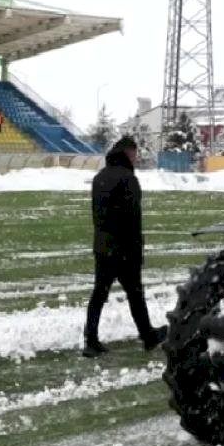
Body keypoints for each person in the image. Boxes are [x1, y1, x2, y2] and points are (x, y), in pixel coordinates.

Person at [83, 135, 167, 358]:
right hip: (125, 249)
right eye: (135, 154)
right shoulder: (128, 178)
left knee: (99, 294)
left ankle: (90, 340)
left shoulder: (100, 177)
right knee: (135, 293)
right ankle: (148, 335)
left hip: (103, 246)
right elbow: (132, 218)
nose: (136, 158)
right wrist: (137, 249)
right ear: (129, 153)